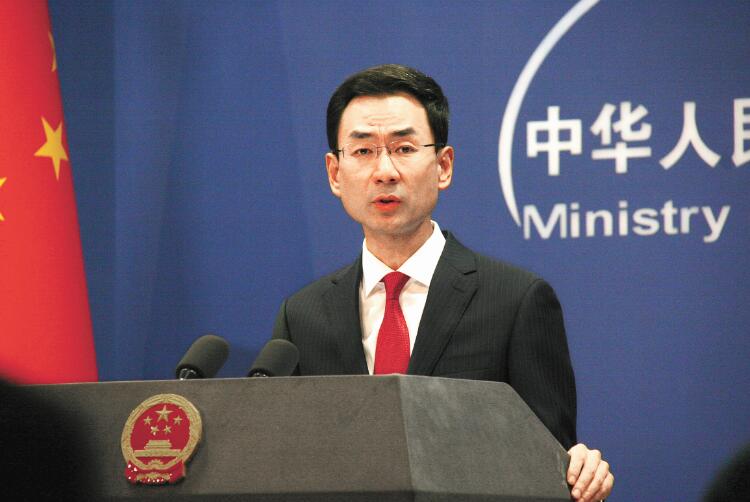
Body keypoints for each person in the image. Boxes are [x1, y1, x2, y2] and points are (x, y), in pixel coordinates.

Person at [273, 64, 614, 502]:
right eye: (363, 151)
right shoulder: (302, 316)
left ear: (443, 166)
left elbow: (546, 466)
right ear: (335, 173)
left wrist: (577, 473)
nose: (384, 171)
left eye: (404, 148)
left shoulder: (516, 302)